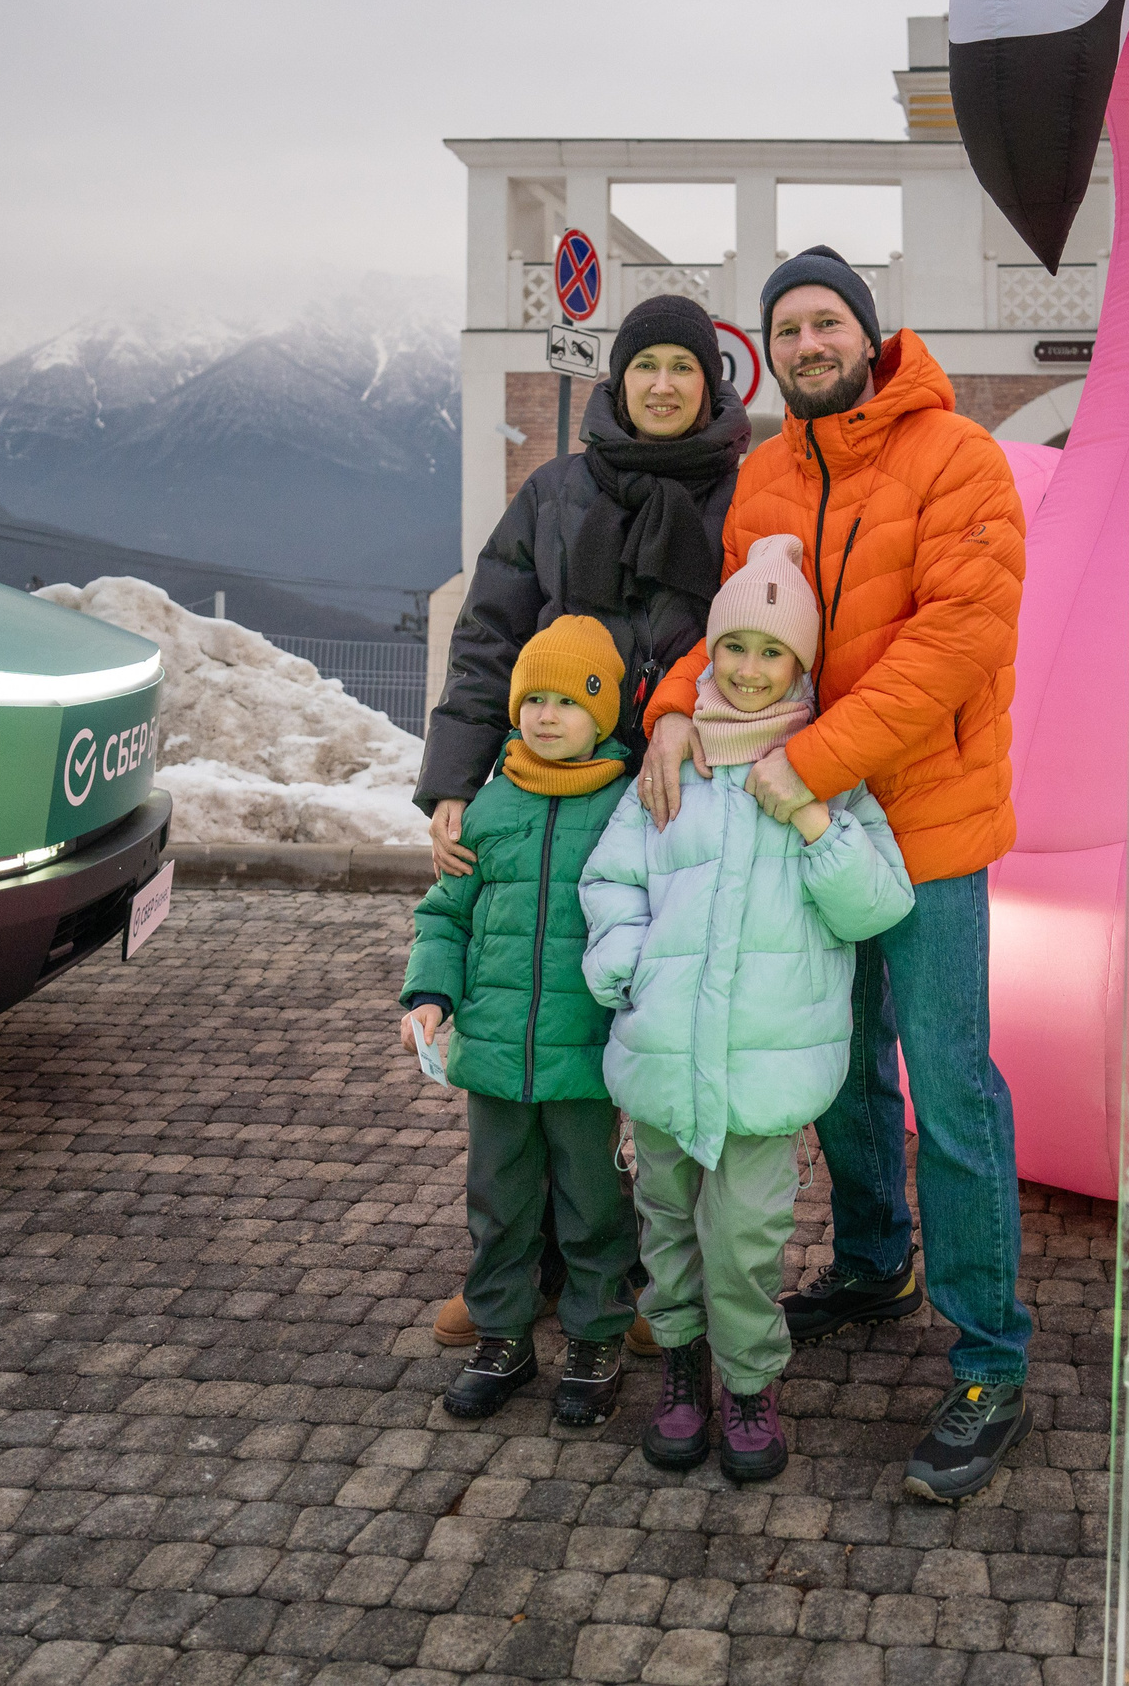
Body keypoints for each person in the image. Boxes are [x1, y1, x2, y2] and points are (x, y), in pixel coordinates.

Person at [634, 246, 1033, 1505]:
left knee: (949, 1088)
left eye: (825, 322)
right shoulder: (762, 472)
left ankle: (990, 1356)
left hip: (920, 825)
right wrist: (669, 709)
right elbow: (733, 633)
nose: (807, 343)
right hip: (796, 822)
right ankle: (872, 1259)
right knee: (840, 1069)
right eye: (786, 328)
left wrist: (808, 761)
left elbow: (958, 641)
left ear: (868, 334)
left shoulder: (959, 458)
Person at [416, 292, 750, 1349]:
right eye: (644, 363)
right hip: (551, 791)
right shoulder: (554, 490)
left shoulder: (748, 489)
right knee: (546, 1028)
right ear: (617, 378)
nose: (662, 383)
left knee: (661, 1043)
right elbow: (487, 638)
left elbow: (764, 640)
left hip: (681, 792)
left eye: (681, 367)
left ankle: (659, 1280)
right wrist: (455, 780)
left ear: (711, 381)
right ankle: (522, 1271)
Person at [581, 537, 913, 1483]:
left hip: (763, 1071)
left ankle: (752, 1384)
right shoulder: (670, 771)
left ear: (803, 667)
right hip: (664, 1051)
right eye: (736, 648)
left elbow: (877, 903)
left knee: (746, 1240)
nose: (751, 671)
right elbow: (613, 881)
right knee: (671, 1229)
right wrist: (625, 969)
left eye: (775, 654)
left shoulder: (830, 775)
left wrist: (811, 817)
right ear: (712, 654)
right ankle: (682, 1374)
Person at [400, 616, 641, 1425]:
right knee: (499, 1202)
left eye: (568, 700)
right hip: (497, 1056)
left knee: (592, 1203)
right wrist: (428, 994)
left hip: (586, 1058)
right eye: (532, 697)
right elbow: (445, 915)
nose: (545, 714)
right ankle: (502, 1337)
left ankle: (597, 1336)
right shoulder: (488, 805)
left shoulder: (629, 806)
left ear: (602, 714)